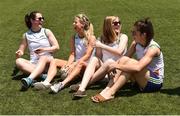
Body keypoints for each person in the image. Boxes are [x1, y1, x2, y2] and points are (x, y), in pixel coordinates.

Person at [91, 17, 164, 103]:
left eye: (134, 33)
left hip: (154, 82)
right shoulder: (135, 43)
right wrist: (116, 66)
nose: (132, 35)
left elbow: (138, 68)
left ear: (143, 35)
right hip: (140, 79)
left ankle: (111, 92)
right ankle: (107, 88)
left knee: (131, 63)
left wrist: (115, 65)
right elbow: (123, 59)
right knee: (126, 60)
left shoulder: (153, 48)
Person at [33, 13, 96, 93]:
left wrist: (74, 64)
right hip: (76, 64)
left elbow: (87, 56)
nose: (73, 24)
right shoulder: (74, 37)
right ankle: (46, 82)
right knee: (54, 61)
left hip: (87, 66)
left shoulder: (91, 38)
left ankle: (61, 84)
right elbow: (72, 54)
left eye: (75, 22)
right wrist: (68, 65)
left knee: (81, 63)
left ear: (82, 24)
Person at [71, 16, 128, 99]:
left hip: (116, 69)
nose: (118, 25)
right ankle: (82, 89)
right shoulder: (101, 38)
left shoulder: (123, 37)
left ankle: (82, 84)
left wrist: (101, 45)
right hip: (104, 70)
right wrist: (99, 46)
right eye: (115, 23)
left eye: (119, 22)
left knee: (109, 61)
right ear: (108, 26)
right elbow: (99, 57)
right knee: (94, 59)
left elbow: (119, 52)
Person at [15, 11, 59, 91]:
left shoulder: (46, 31)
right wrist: (19, 53)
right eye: (39, 18)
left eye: (42, 18)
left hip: (47, 62)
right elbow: (21, 50)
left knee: (43, 57)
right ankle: (42, 76)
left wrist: (44, 50)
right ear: (32, 20)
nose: (42, 20)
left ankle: (30, 79)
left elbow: (56, 47)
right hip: (34, 64)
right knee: (18, 61)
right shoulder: (26, 35)